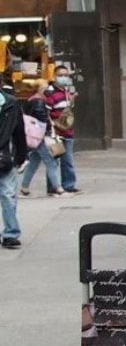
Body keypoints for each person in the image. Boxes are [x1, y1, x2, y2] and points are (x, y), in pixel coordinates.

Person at [19, 80, 68, 198]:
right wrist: (50, 130)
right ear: (41, 89)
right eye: (46, 88)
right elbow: (42, 119)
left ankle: (24, 188)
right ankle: (58, 188)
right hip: (40, 135)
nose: (48, 90)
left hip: (34, 135)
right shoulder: (39, 101)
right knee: (51, 162)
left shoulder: (31, 99)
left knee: (34, 162)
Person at [0, 86, 27, 248]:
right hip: (5, 156)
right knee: (8, 194)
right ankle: (11, 233)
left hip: (4, 157)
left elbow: (19, 130)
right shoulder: (10, 103)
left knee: (8, 195)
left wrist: (21, 155)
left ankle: (11, 232)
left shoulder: (11, 103)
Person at [47, 65, 81, 193]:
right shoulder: (50, 92)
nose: (64, 78)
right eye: (61, 75)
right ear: (54, 76)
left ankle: (69, 185)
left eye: (66, 75)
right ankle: (53, 187)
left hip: (67, 131)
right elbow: (46, 111)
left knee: (68, 160)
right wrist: (52, 127)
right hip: (55, 133)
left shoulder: (67, 91)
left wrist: (72, 100)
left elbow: (68, 109)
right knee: (54, 161)